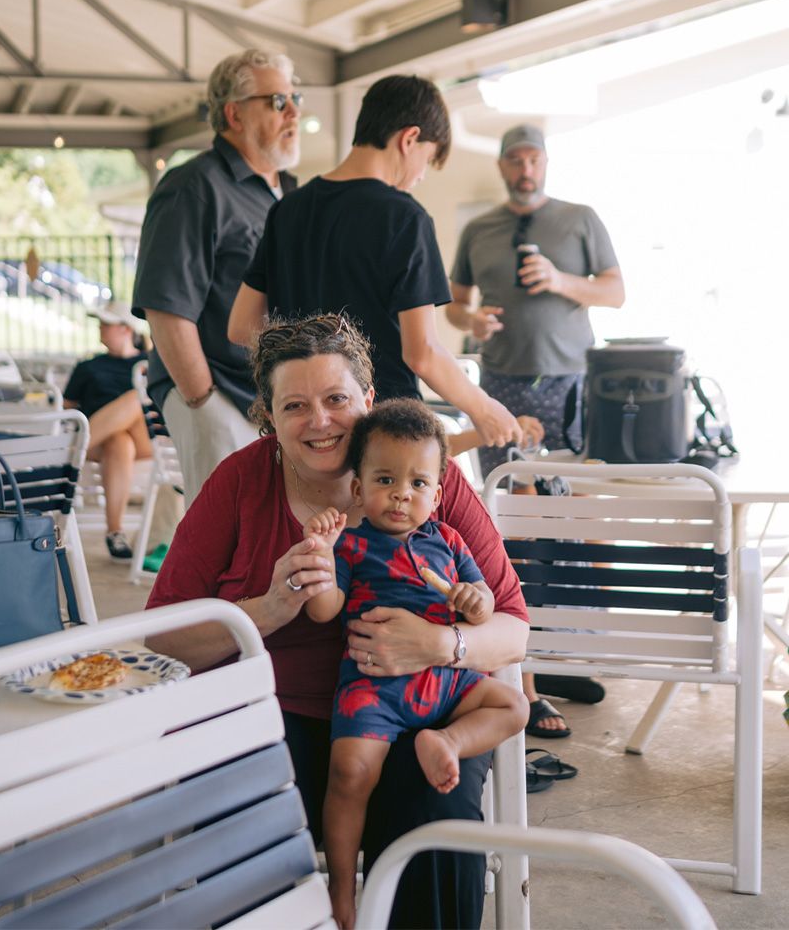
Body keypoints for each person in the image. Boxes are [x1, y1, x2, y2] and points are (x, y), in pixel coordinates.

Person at [144, 314, 529, 930]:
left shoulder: (428, 476)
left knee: (437, 812)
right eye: (295, 405)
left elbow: (512, 627)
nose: (319, 421)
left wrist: (443, 642)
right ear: (268, 416)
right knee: (242, 816)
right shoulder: (239, 485)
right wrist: (267, 610)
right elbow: (163, 641)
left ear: (368, 401)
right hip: (273, 715)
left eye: (336, 399)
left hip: (421, 711)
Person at [303, 399, 528, 929]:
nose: (402, 493)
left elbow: (485, 602)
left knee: (513, 706)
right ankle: (341, 888)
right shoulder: (353, 547)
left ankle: (446, 742)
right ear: (357, 489)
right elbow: (323, 610)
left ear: (437, 494)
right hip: (373, 688)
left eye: (417, 483)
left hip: (445, 683)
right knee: (349, 773)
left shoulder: (448, 541)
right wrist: (318, 554)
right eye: (385, 479)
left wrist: (474, 601)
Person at [228, 73, 522, 453]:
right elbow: (423, 352)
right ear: (409, 139)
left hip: (308, 429)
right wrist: (485, 409)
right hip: (385, 429)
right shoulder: (405, 218)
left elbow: (241, 327)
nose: (419, 176)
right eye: (427, 160)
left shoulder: (288, 210)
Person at [445, 123, 624, 736]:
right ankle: (529, 674)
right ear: (501, 165)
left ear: (545, 162)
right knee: (512, 535)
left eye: (533, 158)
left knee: (573, 532)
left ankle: (561, 658)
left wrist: (559, 281)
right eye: (515, 159)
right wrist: (474, 320)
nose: (525, 168)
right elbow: (452, 303)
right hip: (503, 387)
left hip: (573, 386)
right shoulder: (478, 229)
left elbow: (616, 291)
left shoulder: (581, 219)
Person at [132, 48, 300, 503]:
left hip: (279, 399)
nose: (295, 113)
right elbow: (165, 306)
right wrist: (203, 403)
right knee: (226, 543)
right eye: (278, 101)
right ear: (235, 114)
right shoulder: (193, 187)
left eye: (295, 98)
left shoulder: (289, 192)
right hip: (218, 395)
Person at [63, 300, 150, 559]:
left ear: (125, 329)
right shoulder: (88, 366)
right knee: (119, 442)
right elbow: (67, 410)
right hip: (103, 445)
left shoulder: (150, 363)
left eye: (107, 324)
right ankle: (115, 533)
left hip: (147, 437)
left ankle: (65, 453)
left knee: (136, 398)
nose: (100, 328)